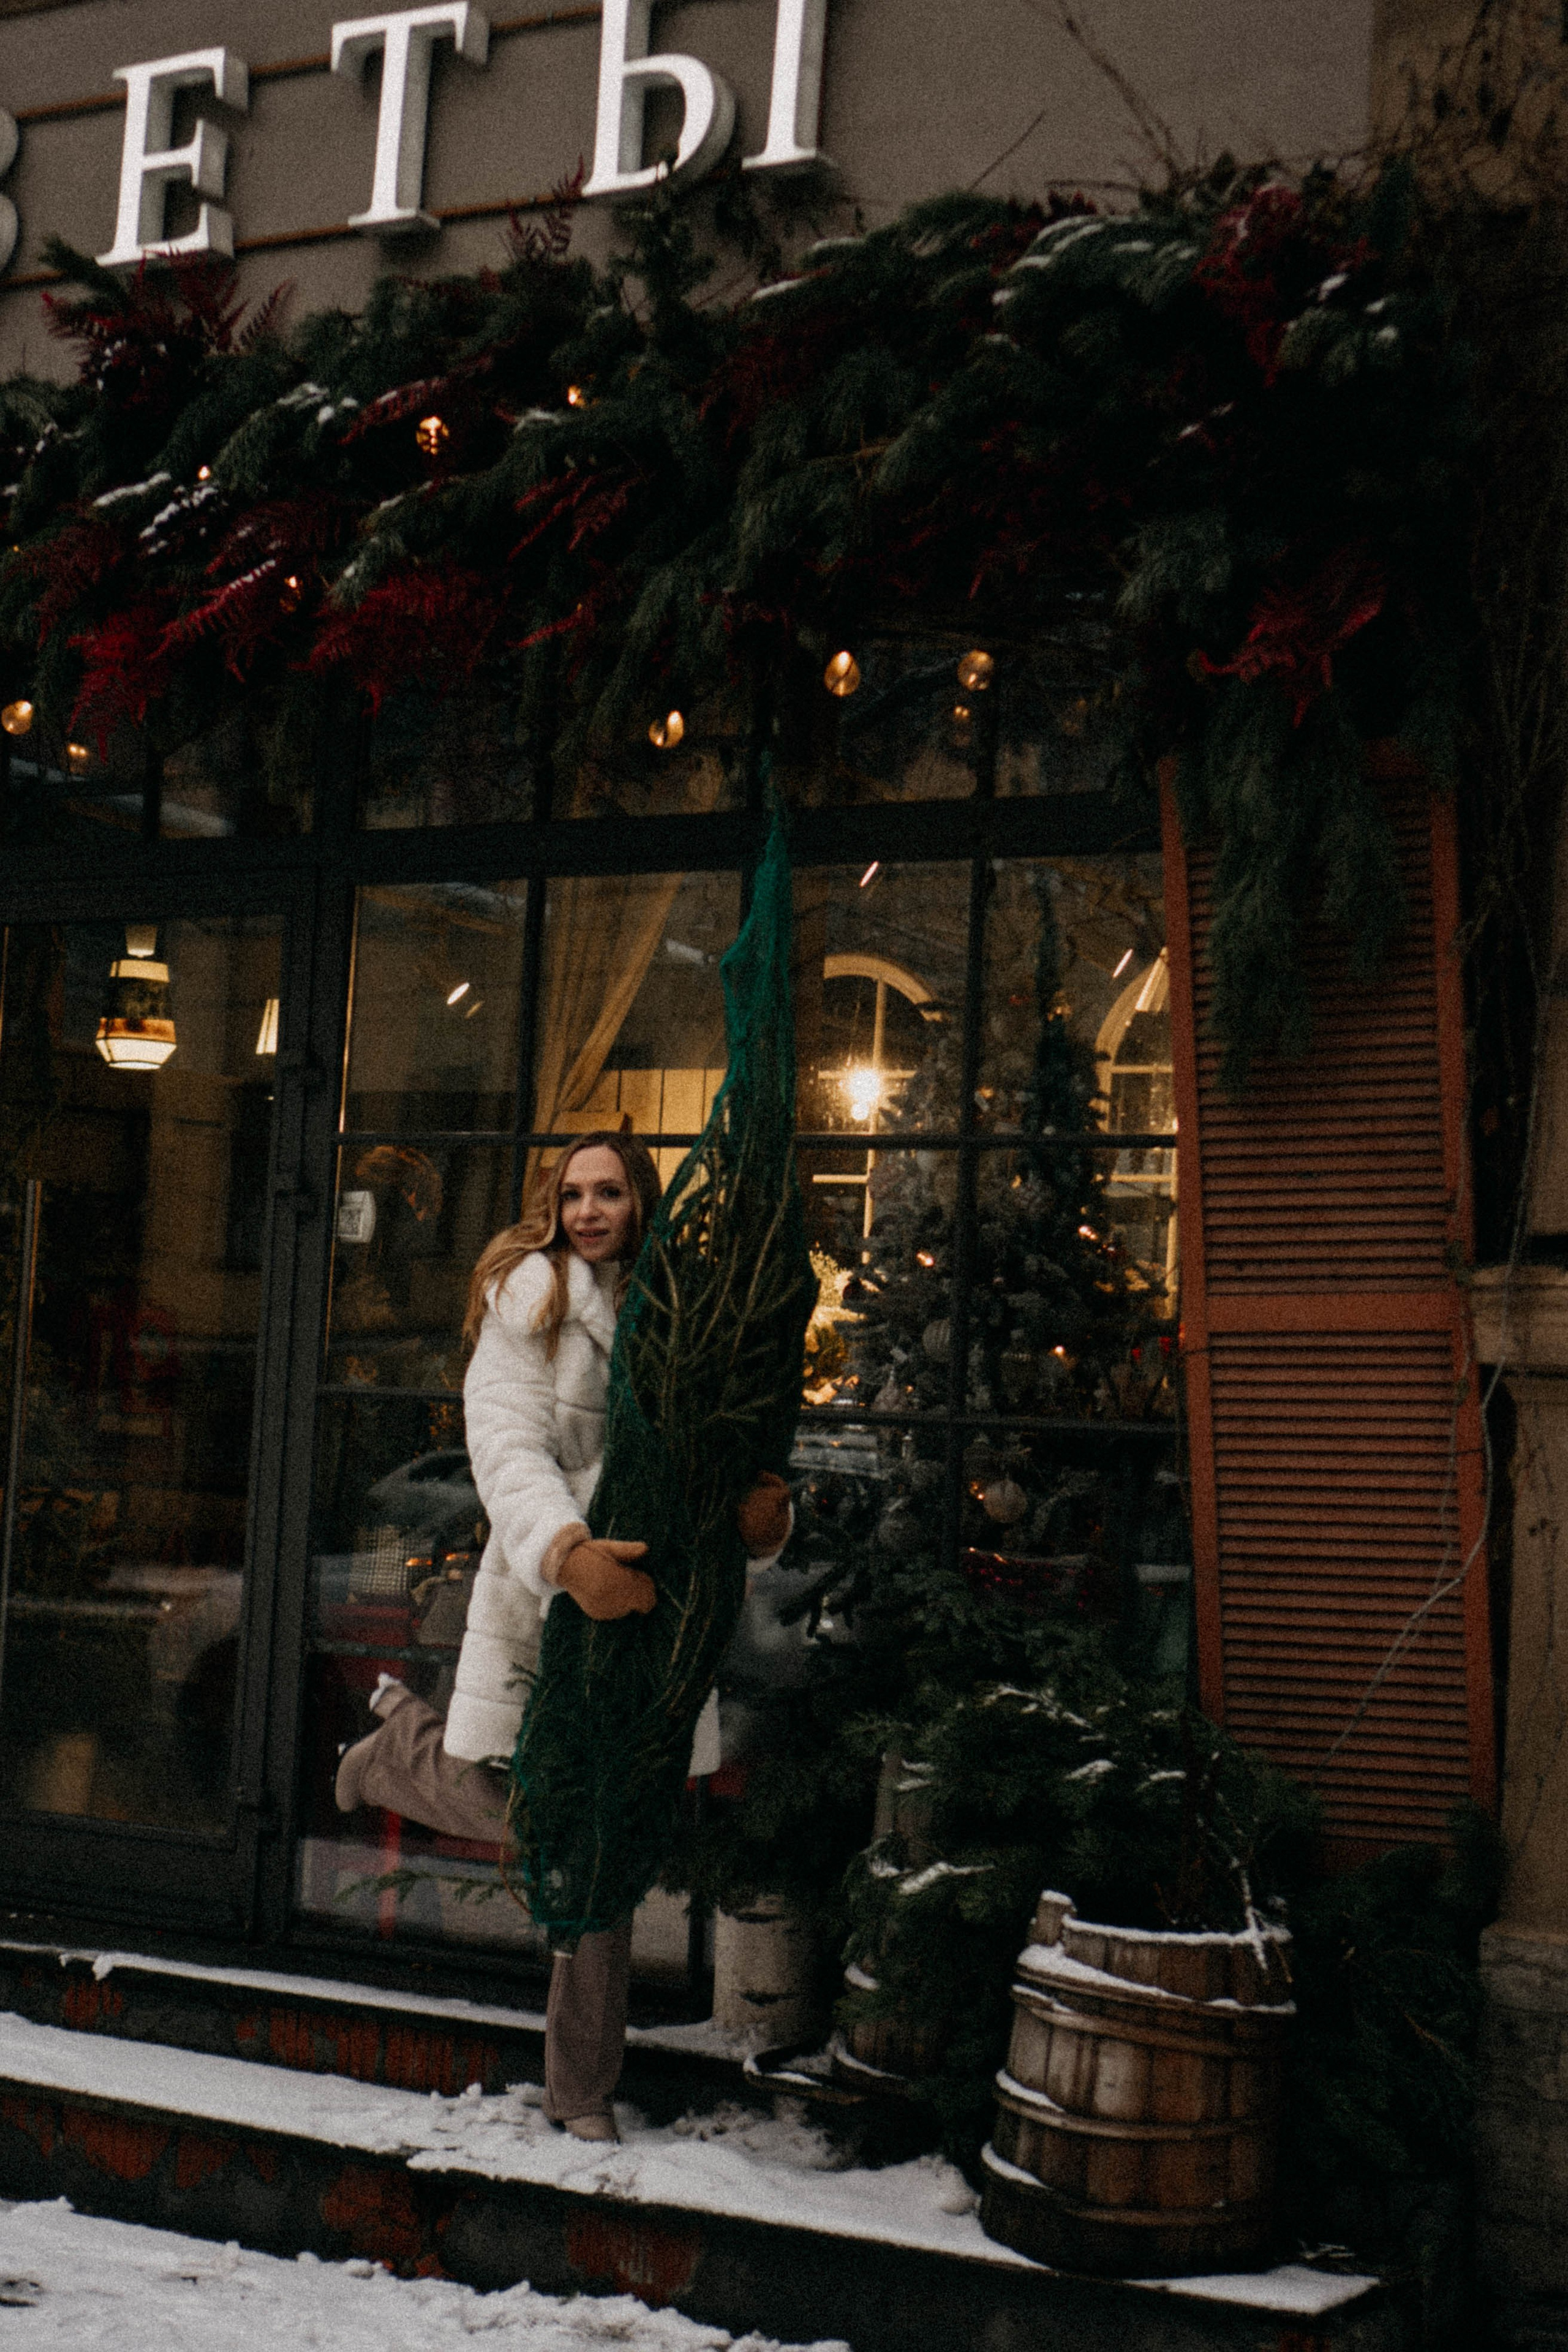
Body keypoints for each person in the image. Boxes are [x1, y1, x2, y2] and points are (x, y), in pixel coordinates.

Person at [333, 1129, 791, 2141]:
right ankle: (402, 1754)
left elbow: (716, 1463)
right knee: (560, 1820)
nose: (589, 1211)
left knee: (610, 1832)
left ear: (642, 1202)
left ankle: (581, 2087)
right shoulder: (528, 1299)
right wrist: (568, 1554)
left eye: (611, 1192)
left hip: (658, 1613)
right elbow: (502, 1446)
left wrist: (759, 1529)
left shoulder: (682, 1308)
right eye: (573, 1193)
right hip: (552, 1599)